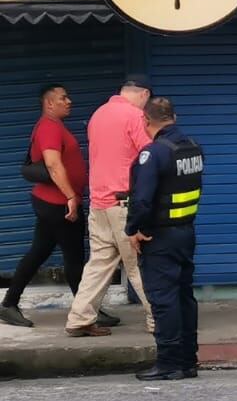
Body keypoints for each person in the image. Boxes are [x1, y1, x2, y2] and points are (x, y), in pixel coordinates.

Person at [65, 76, 156, 338]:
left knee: (99, 263)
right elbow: (149, 156)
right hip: (123, 203)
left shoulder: (98, 114)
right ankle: (159, 319)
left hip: (99, 203)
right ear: (144, 94)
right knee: (140, 264)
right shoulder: (134, 116)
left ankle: (79, 318)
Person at [127, 97, 204, 381]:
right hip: (186, 232)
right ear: (175, 116)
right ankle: (188, 360)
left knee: (163, 299)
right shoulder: (193, 148)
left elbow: (142, 200)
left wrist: (133, 229)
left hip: (159, 237)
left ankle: (169, 362)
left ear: (146, 121)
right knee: (184, 296)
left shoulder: (154, 153)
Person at [0, 84, 89, 329]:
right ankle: (87, 312)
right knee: (74, 257)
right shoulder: (49, 127)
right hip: (58, 204)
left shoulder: (54, 125)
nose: (69, 101)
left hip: (50, 202)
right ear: (49, 103)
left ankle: (8, 304)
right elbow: (52, 164)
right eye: (63, 98)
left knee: (38, 252)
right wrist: (71, 196)